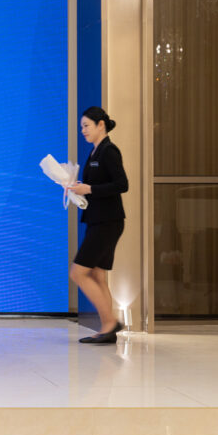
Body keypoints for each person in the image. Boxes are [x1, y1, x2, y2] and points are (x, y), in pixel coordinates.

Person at [68, 106, 129, 344]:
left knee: (78, 272)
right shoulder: (95, 151)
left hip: (107, 222)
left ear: (100, 125)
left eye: (86, 126)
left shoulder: (108, 151)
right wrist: (79, 188)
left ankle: (110, 322)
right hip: (99, 220)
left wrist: (89, 189)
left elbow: (122, 184)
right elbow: (96, 184)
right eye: (81, 127)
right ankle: (108, 328)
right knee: (97, 274)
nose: (83, 130)